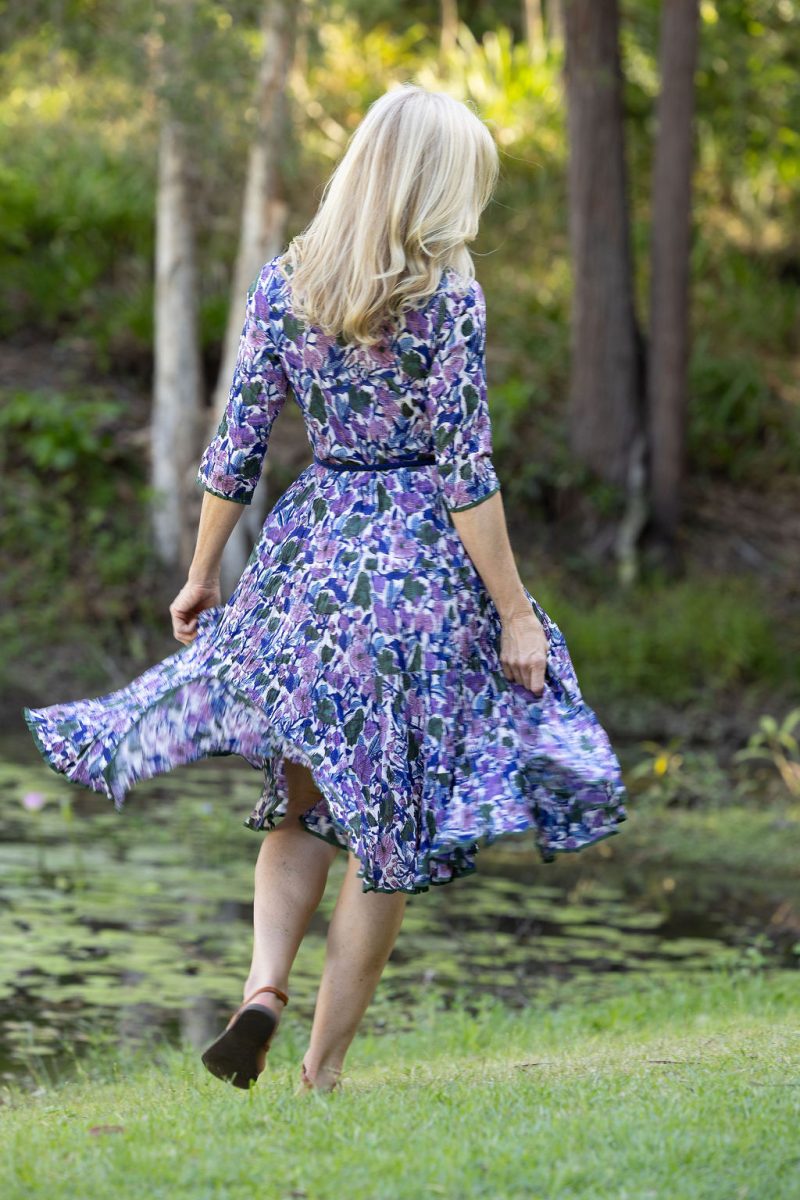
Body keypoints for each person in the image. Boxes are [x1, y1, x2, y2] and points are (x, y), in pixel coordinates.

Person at [23, 83, 628, 1095]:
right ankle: (320, 1071)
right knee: (383, 834)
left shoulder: (286, 282)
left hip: (309, 560)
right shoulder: (444, 296)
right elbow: (465, 469)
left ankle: (262, 988)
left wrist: (202, 571)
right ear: (436, 187)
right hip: (413, 576)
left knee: (302, 803)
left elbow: (237, 446)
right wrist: (516, 616)